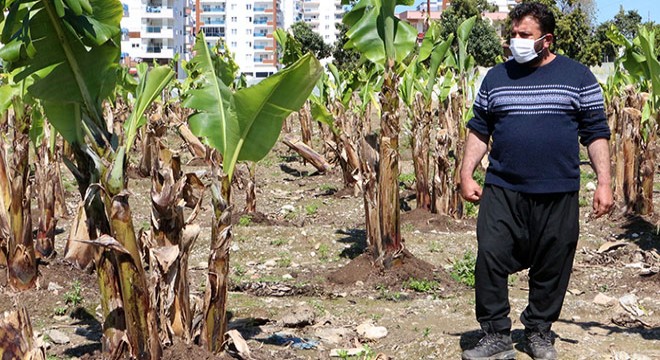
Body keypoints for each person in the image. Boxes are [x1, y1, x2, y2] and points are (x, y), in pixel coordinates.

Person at [459, 2, 613, 360]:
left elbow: (595, 133)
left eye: (524, 35)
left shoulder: (578, 77)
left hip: (557, 189)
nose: (516, 41)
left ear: (546, 40)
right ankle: (496, 334)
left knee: (553, 263)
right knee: (491, 255)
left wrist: (604, 182)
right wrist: (466, 172)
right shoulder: (496, 77)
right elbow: (479, 129)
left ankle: (539, 332)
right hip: (503, 187)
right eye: (513, 34)